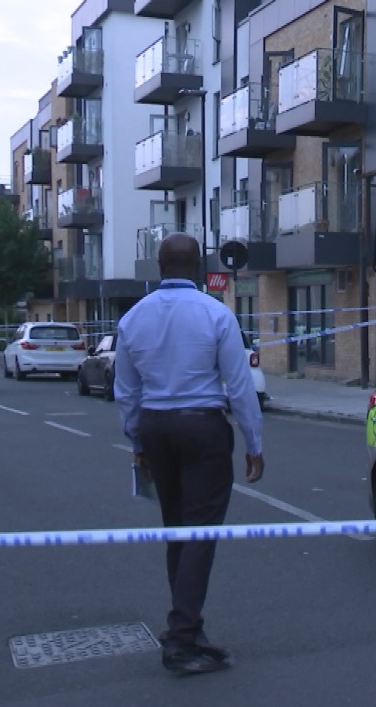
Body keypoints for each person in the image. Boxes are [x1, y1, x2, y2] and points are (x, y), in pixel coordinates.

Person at [115, 233, 265, 674]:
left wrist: (137, 441)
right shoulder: (216, 314)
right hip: (202, 428)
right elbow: (239, 386)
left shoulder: (132, 319)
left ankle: (189, 624)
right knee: (200, 531)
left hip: (157, 428)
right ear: (198, 267)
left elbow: (127, 392)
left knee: (177, 529)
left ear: (159, 267)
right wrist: (254, 443)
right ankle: (181, 639)